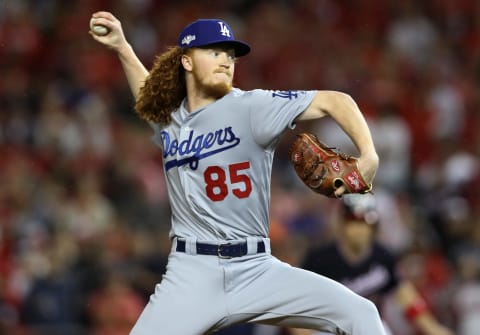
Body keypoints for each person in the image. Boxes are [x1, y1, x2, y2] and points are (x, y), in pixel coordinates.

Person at [89, 11, 383, 335]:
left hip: (256, 268)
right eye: (214, 52)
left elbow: (336, 101)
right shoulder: (171, 121)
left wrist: (368, 154)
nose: (226, 60)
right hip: (191, 274)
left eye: (230, 54)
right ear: (186, 61)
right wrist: (123, 48)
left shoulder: (253, 107)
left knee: (361, 313)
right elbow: (147, 95)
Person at [295, 194, 454, 335]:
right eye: (353, 221)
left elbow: (404, 294)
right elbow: (295, 304)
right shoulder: (319, 260)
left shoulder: (384, 257)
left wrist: (431, 327)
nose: (359, 228)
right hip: (330, 328)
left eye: (365, 222)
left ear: (374, 226)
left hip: (369, 326)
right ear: (341, 224)